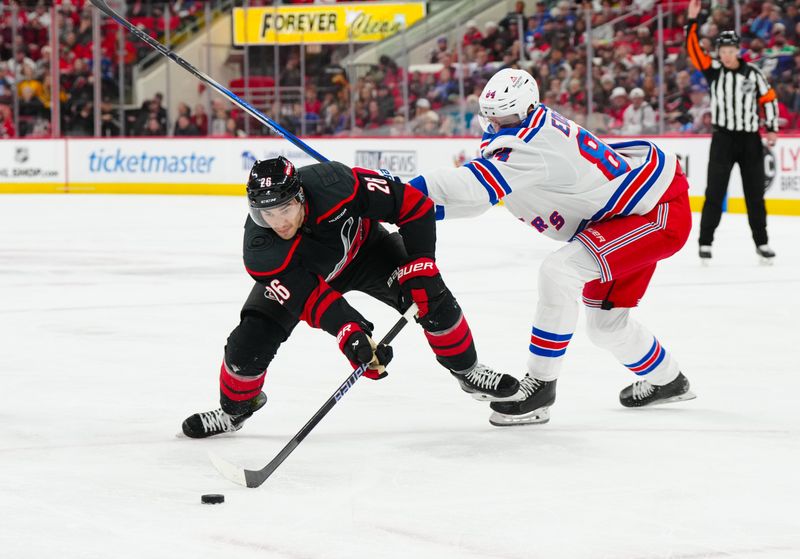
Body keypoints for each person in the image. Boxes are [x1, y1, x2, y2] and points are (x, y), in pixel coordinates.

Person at [409, 68, 696, 426]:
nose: (499, 123)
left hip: (655, 212)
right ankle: (669, 380)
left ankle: (541, 387)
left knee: (560, 272)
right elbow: (482, 198)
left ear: (528, 109)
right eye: (492, 117)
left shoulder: (533, 144)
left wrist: (394, 191)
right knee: (605, 324)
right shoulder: (519, 133)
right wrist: (401, 208)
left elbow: (472, 187)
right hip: (622, 216)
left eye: (507, 116)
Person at [181, 157, 519, 438]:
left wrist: (420, 263)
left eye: (284, 209)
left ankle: (468, 371)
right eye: (266, 214)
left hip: (368, 252)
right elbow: (310, 299)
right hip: (309, 279)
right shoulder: (261, 251)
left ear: (300, 196)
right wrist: (352, 333)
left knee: (432, 298)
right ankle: (235, 410)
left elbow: (414, 207)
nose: (278, 222)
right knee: (249, 340)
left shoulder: (335, 184)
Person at [686, 0, 778, 264]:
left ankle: (762, 242)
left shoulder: (754, 73)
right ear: (718, 52)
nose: (726, 54)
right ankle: (705, 242)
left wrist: (771, 128)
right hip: (723, 138)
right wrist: (692, 22)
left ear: (738, 50)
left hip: (750, 140)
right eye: (722, 50)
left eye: (730, 49)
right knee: (715, 191)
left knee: (755, 195)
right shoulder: (714, 71)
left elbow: (768, 99)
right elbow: (693, 50)